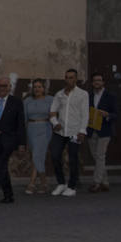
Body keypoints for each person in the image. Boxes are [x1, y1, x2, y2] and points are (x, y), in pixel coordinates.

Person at [0, 77, 27, 204]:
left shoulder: (16, 102)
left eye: (4, 86)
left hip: (9, 140)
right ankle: (8, 194)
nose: (2, 88)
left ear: (9, 87)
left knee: (1, 163)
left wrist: (22, 143)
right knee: (0, 166)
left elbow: (20, 124)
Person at [48, 68, 89, 197]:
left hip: (74, 132)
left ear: (76, 79)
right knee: (55, 155)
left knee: (73, 158)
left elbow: (85, 114)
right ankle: (61, 183)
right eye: (67, 77)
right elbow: (52, 111)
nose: (69, 80)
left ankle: (72, 186)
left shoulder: (83, 94)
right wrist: (55, 123)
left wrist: (82, 131)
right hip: (60, 131)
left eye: (71, 77)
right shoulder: (59, 94)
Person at [86, 72, 119, 193]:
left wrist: (107, 115)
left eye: (99, 80)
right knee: (97, 157)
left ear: (103, 82)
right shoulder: (88, 96)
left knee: (100, 155)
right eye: (95, 80)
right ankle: (105, 182)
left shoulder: (110, 96)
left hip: (104, 130)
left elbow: (116, 114)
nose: (97, 82)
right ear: (92, 83)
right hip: (91, 129)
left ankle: (96, 182)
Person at [23, 79, 53, 194]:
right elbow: (24, 118)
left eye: (39, 87)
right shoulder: (27, 101)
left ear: (44, 88)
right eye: (35, 87)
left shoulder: (50, 99)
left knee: (37, 155)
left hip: (45, 129)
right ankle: (44, 183)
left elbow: (55, 115)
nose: (37, 89)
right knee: (37, 156)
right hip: (31, 129)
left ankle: (31, 183)